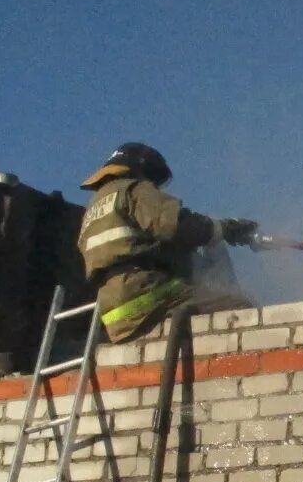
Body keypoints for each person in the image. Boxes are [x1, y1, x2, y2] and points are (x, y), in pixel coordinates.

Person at [76, 142, 257, 343]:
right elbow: (179, 226)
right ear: (143, 169)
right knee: (239, 304)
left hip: (113, 311)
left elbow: (133, 246)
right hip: (146, 294)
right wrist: (224, 228)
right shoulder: (134, 190)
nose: (155, 187)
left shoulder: (94, 207)